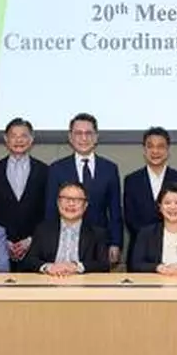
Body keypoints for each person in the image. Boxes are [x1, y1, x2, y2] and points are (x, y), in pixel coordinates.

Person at [45, 113, 123, 264]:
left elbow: (115, 211)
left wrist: (116, 243)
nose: (83, 138)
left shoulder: (110, 168)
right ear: (70, 137)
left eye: (88, 133)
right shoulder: (56, 169)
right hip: (65, 243)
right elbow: (50, 210)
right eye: (78, 133)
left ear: (96, 137)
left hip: (99, 244)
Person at [0, 117, 48, 272]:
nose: (19, 140)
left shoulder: (45, 171)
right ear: (6, 139)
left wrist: (31, 239)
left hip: (36, 248)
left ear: (31, 139)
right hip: (0, 247)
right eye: (14, 136)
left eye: (24, 136)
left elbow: (48, 211)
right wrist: (3, 240)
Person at [123, 126, 177, 263]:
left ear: (168, 150)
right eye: (150, 146)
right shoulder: (131, 180)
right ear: (144, 150)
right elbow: (130, 218)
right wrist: (152, 239)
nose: (155, 151)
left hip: (174, 250)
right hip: (140, 251)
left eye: (160, 146)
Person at [23, 181, 111, 276]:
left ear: (85, 205)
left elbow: (104, 265)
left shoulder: (97, 233)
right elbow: (30, 260)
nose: (71, 204)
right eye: (65, 199)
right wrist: (48, 267)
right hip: (49, 282)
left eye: (77, 200)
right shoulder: (43, 230)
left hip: (83, 285)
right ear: (58, 203)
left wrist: (76, 266)